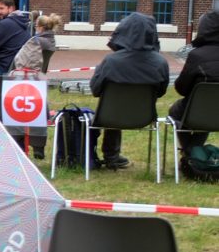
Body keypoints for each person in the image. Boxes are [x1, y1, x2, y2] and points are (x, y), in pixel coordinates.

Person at [90, 12, 169, 169]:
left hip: (109, 116)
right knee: (115, 110)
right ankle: (112, 156)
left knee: (114, 110)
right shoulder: (160, 63)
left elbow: (95, 89)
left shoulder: (110, 61)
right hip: (144, 116)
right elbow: (160, 91)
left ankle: (111, 156)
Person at [6, 13, 63, 160]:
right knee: (38, 112)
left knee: (17, 113)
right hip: (38, 79)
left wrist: (12, 73)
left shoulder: (36, 41)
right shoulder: (50, 41)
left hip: (25, 79)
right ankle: (38, 146)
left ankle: (19, 144)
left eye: (36, 26)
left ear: (41, 28)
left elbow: (23, 60)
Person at [168, 10, 219, 152]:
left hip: (198, 109)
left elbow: (182, 88)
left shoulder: (197, 55)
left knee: (178, 111)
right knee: (206, 111)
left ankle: (190, 153)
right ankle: (194, 152)